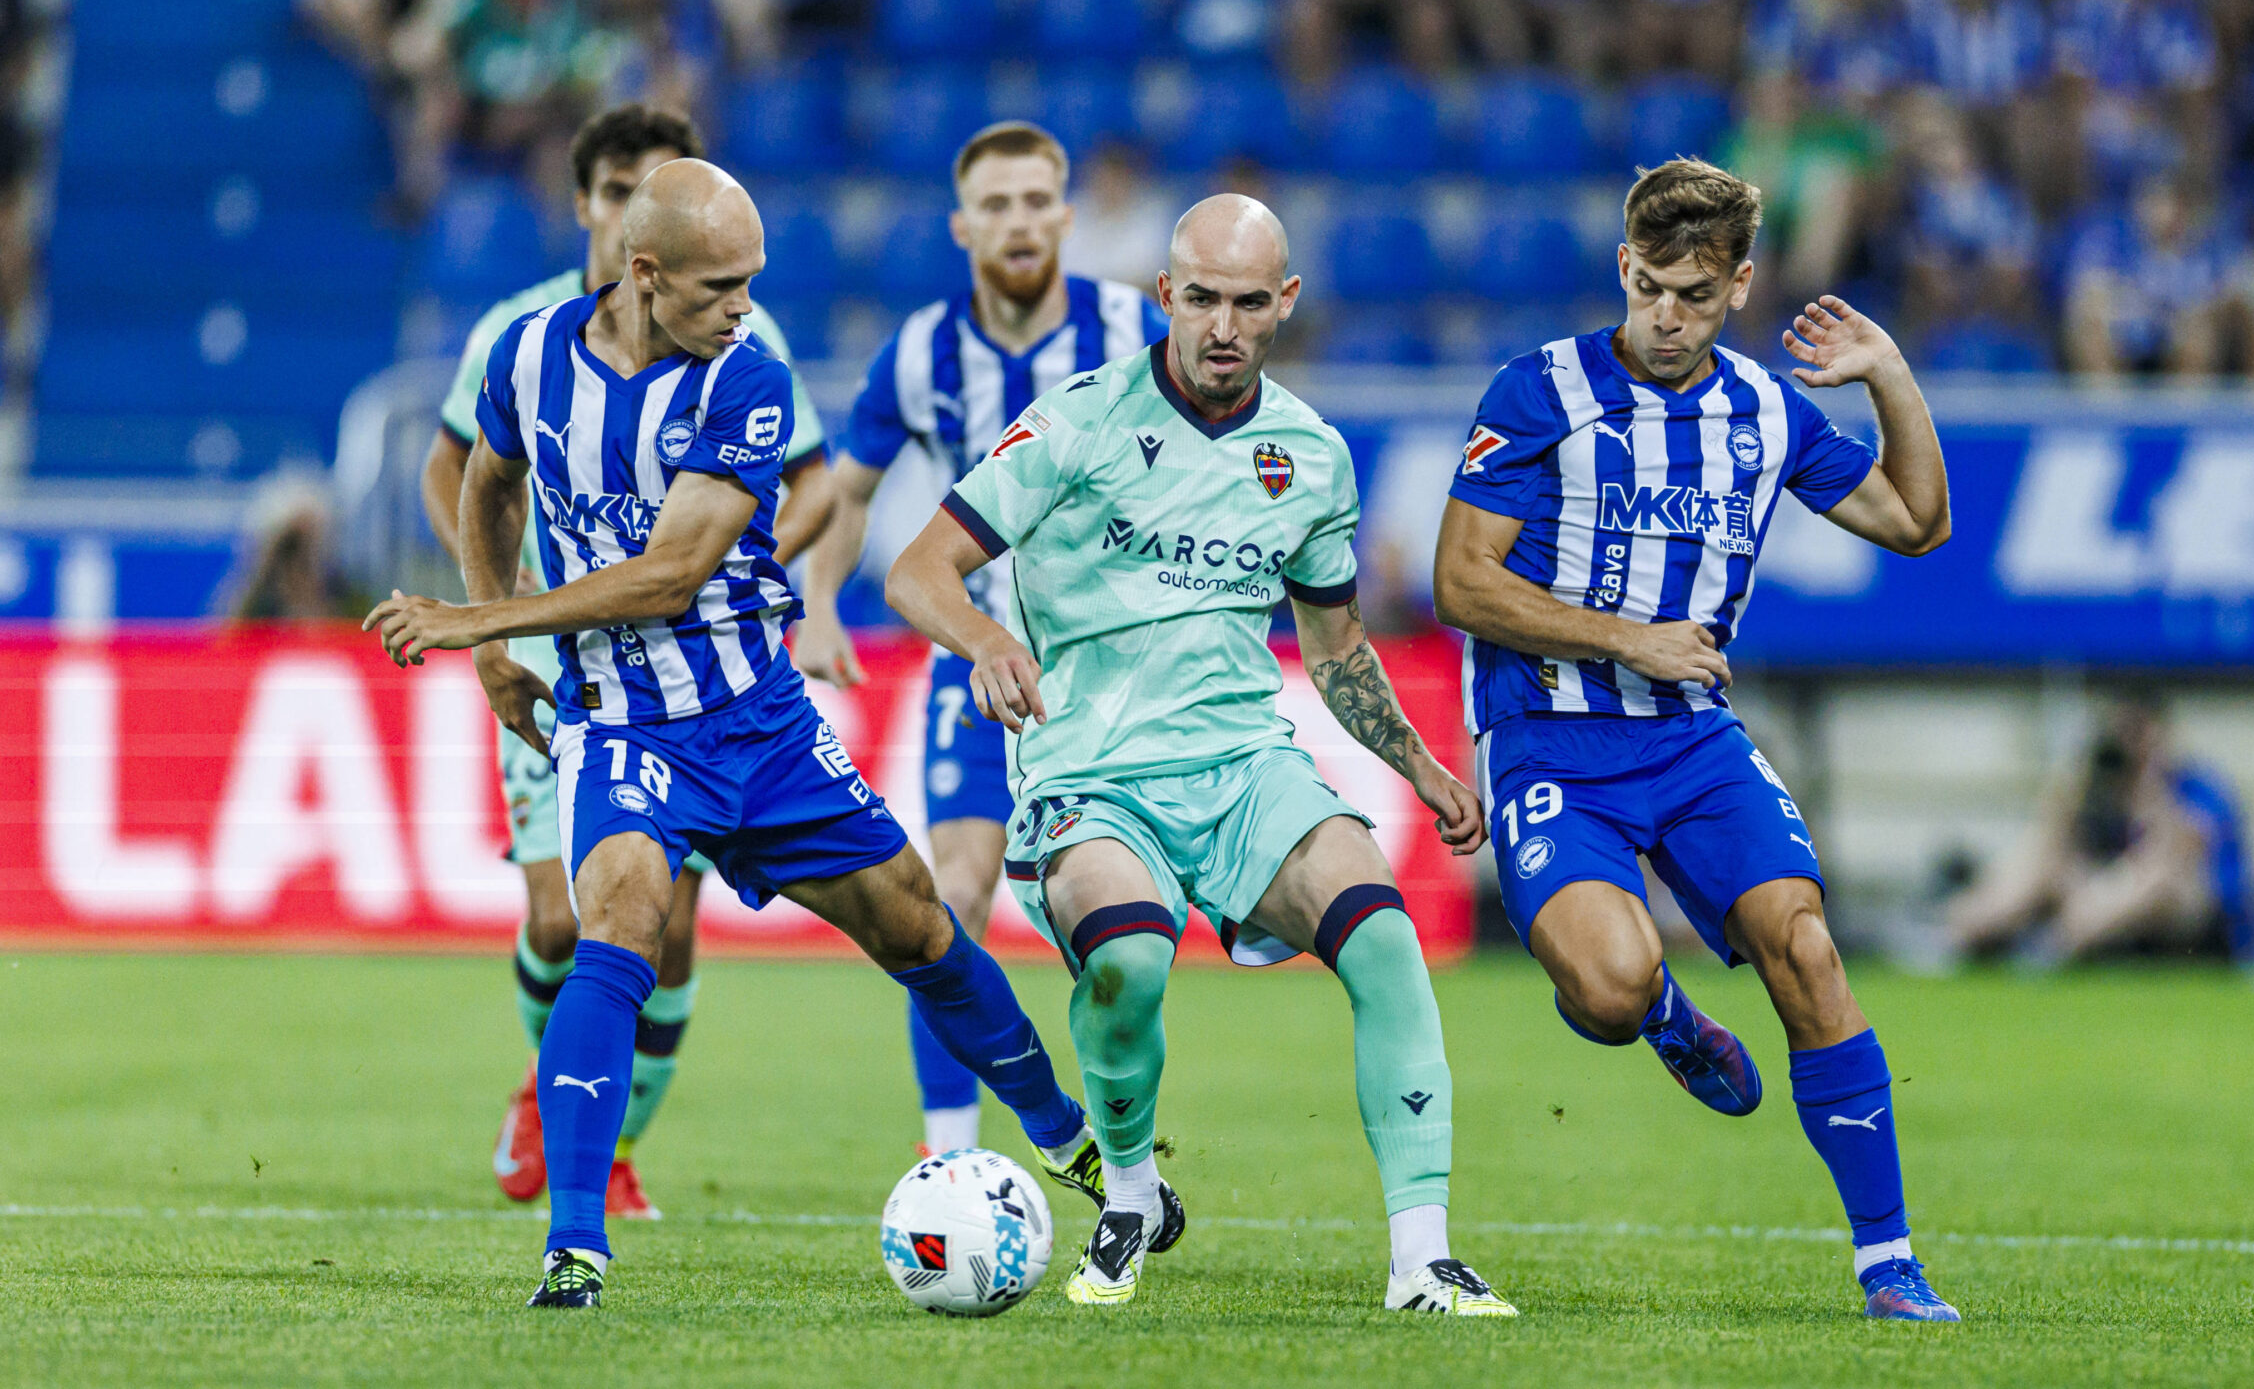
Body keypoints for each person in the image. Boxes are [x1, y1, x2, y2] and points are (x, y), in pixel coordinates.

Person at [369, 159, 1113, 1309]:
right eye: (720, 285)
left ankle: (1068, 1136)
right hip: (623, 724)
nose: (743, 306)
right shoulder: (525, 355)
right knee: (615, 925)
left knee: (918, 924)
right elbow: (489, 479)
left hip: (759, 723)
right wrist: (492, 637)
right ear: (644, 272)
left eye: (751, 281)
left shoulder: (747, 377)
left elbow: (670, 574)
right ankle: (575, 1245)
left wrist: (480, 619)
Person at [885, 194, 1515, 1316]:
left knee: (1384, 936)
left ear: (1287, 302)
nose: (1223, 326)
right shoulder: (1076, 421)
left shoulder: (1310, 456)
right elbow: (918, 568)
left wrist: (1422, 767)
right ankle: (1129, 1191)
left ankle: (1422, 1259)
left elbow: (1336, 646)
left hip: (1242, 767)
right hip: (1091, 775)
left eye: (1249, 302)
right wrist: (983, 638)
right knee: (1128, 958)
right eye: (1203, 298)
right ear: (1166, 294)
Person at [1429, 159, 1962, 1323]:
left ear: (1740, 286)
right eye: (1651, 288)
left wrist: (1888, 374)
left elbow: (1918, 522)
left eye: (1696, 296)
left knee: (1805, 946)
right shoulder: (1538, 391)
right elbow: (1460, 582)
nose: (1667, 317)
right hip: (1550, 738)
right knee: (1609, 988)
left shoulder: (1766, 411)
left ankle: (1889, 1262)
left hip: (1689, 740)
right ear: (1624, 266)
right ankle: (1665, 1014)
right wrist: (1633, 639)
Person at [415, 105, 833, 1223]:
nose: (623, 211)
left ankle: (615, 1146)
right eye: (612, 190)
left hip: (696, 677)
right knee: (563, 922)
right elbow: (458, 470)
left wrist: (743, 567)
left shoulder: (740, 339)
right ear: (589, 205)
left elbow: (816, 480)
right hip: (562, 659)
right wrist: (491, 613)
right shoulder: (517, 332)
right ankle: (546, 1083)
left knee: (668, 931)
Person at [794, 120, 1163, 1160]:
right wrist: (819, 601)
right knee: (948, 897)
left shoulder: (1133, 330)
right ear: (962, 226)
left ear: (1066, 215)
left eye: (1036, 200)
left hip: (1115, 668)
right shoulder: (921, 351)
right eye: (996, 205)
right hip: (979, 658)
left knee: (1120, 933)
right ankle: (950, 1159)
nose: (1018, 222)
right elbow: (848, 493)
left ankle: (1126, 1146)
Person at [1944, 695, 2254, 965]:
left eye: (2137, 733)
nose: (2129, 746)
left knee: (2156, 879)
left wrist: (2151, 791)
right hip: (2104, 901)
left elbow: (2180, 858)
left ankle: (2054, 942)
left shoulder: (2196, 787)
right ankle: (1961, 929)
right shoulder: (2103, 784)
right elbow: (2050, 843)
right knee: (2041, 863)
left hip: (2196, 913)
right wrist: (2070, 791)